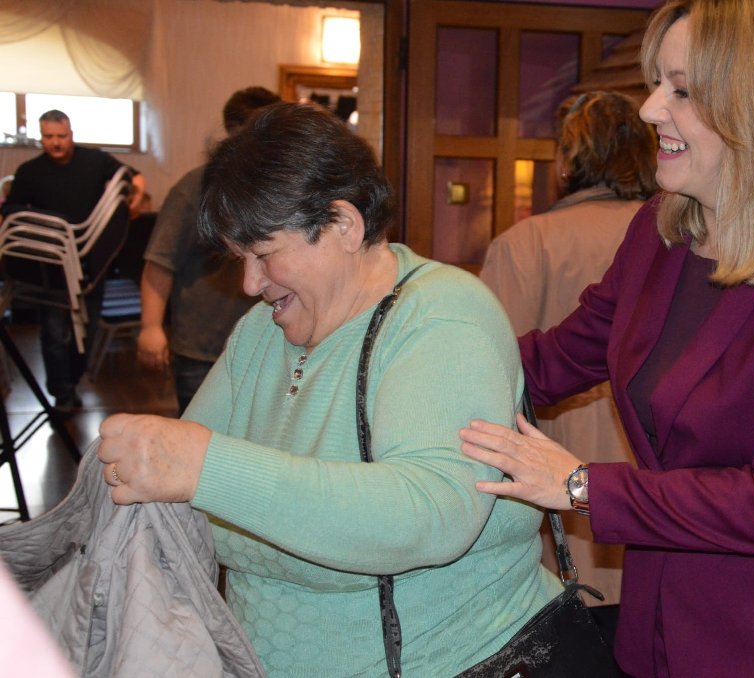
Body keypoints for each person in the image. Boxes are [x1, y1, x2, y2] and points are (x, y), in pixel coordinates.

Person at [459, 1, 754, 675]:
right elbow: (550, 362)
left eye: (682, 91)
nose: (649, 110)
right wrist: (399, 348)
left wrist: (583, 486)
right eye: (656, 84)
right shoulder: (659, 233)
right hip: (657, 613)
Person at [96, 102, 561, 676]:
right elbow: (176, 485)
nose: (249, 284)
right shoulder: (260, 334)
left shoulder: (442, 317)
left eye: (263, 255)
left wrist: (206, 468)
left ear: (343, 225)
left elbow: (432, 513)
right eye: (241, 259)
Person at [479, 90, 656, 617]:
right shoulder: (674, 236)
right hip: (652, 483)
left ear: (566, 159)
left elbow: (493, 375)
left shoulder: (525, 243)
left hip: (560, 478)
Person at [138, 86, 280, 413]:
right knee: (197, 433)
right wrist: (150, 327)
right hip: (202, 348)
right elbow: (160, 262)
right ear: (232, 131)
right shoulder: (193, 188)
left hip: (268, 343)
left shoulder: (280, 188)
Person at [3, 110, 145, 412]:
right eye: (49, 137)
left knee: (88, 328)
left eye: (61, 136)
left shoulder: (95, 161)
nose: (56, 142)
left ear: (71, 134)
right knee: (54, 331)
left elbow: (130, 175)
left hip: (91, 263)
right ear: (41, 137)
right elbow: (13, 209)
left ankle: (74, 380)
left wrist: (137, 192)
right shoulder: (29, 171)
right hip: (52, 266)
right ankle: (62, 393)